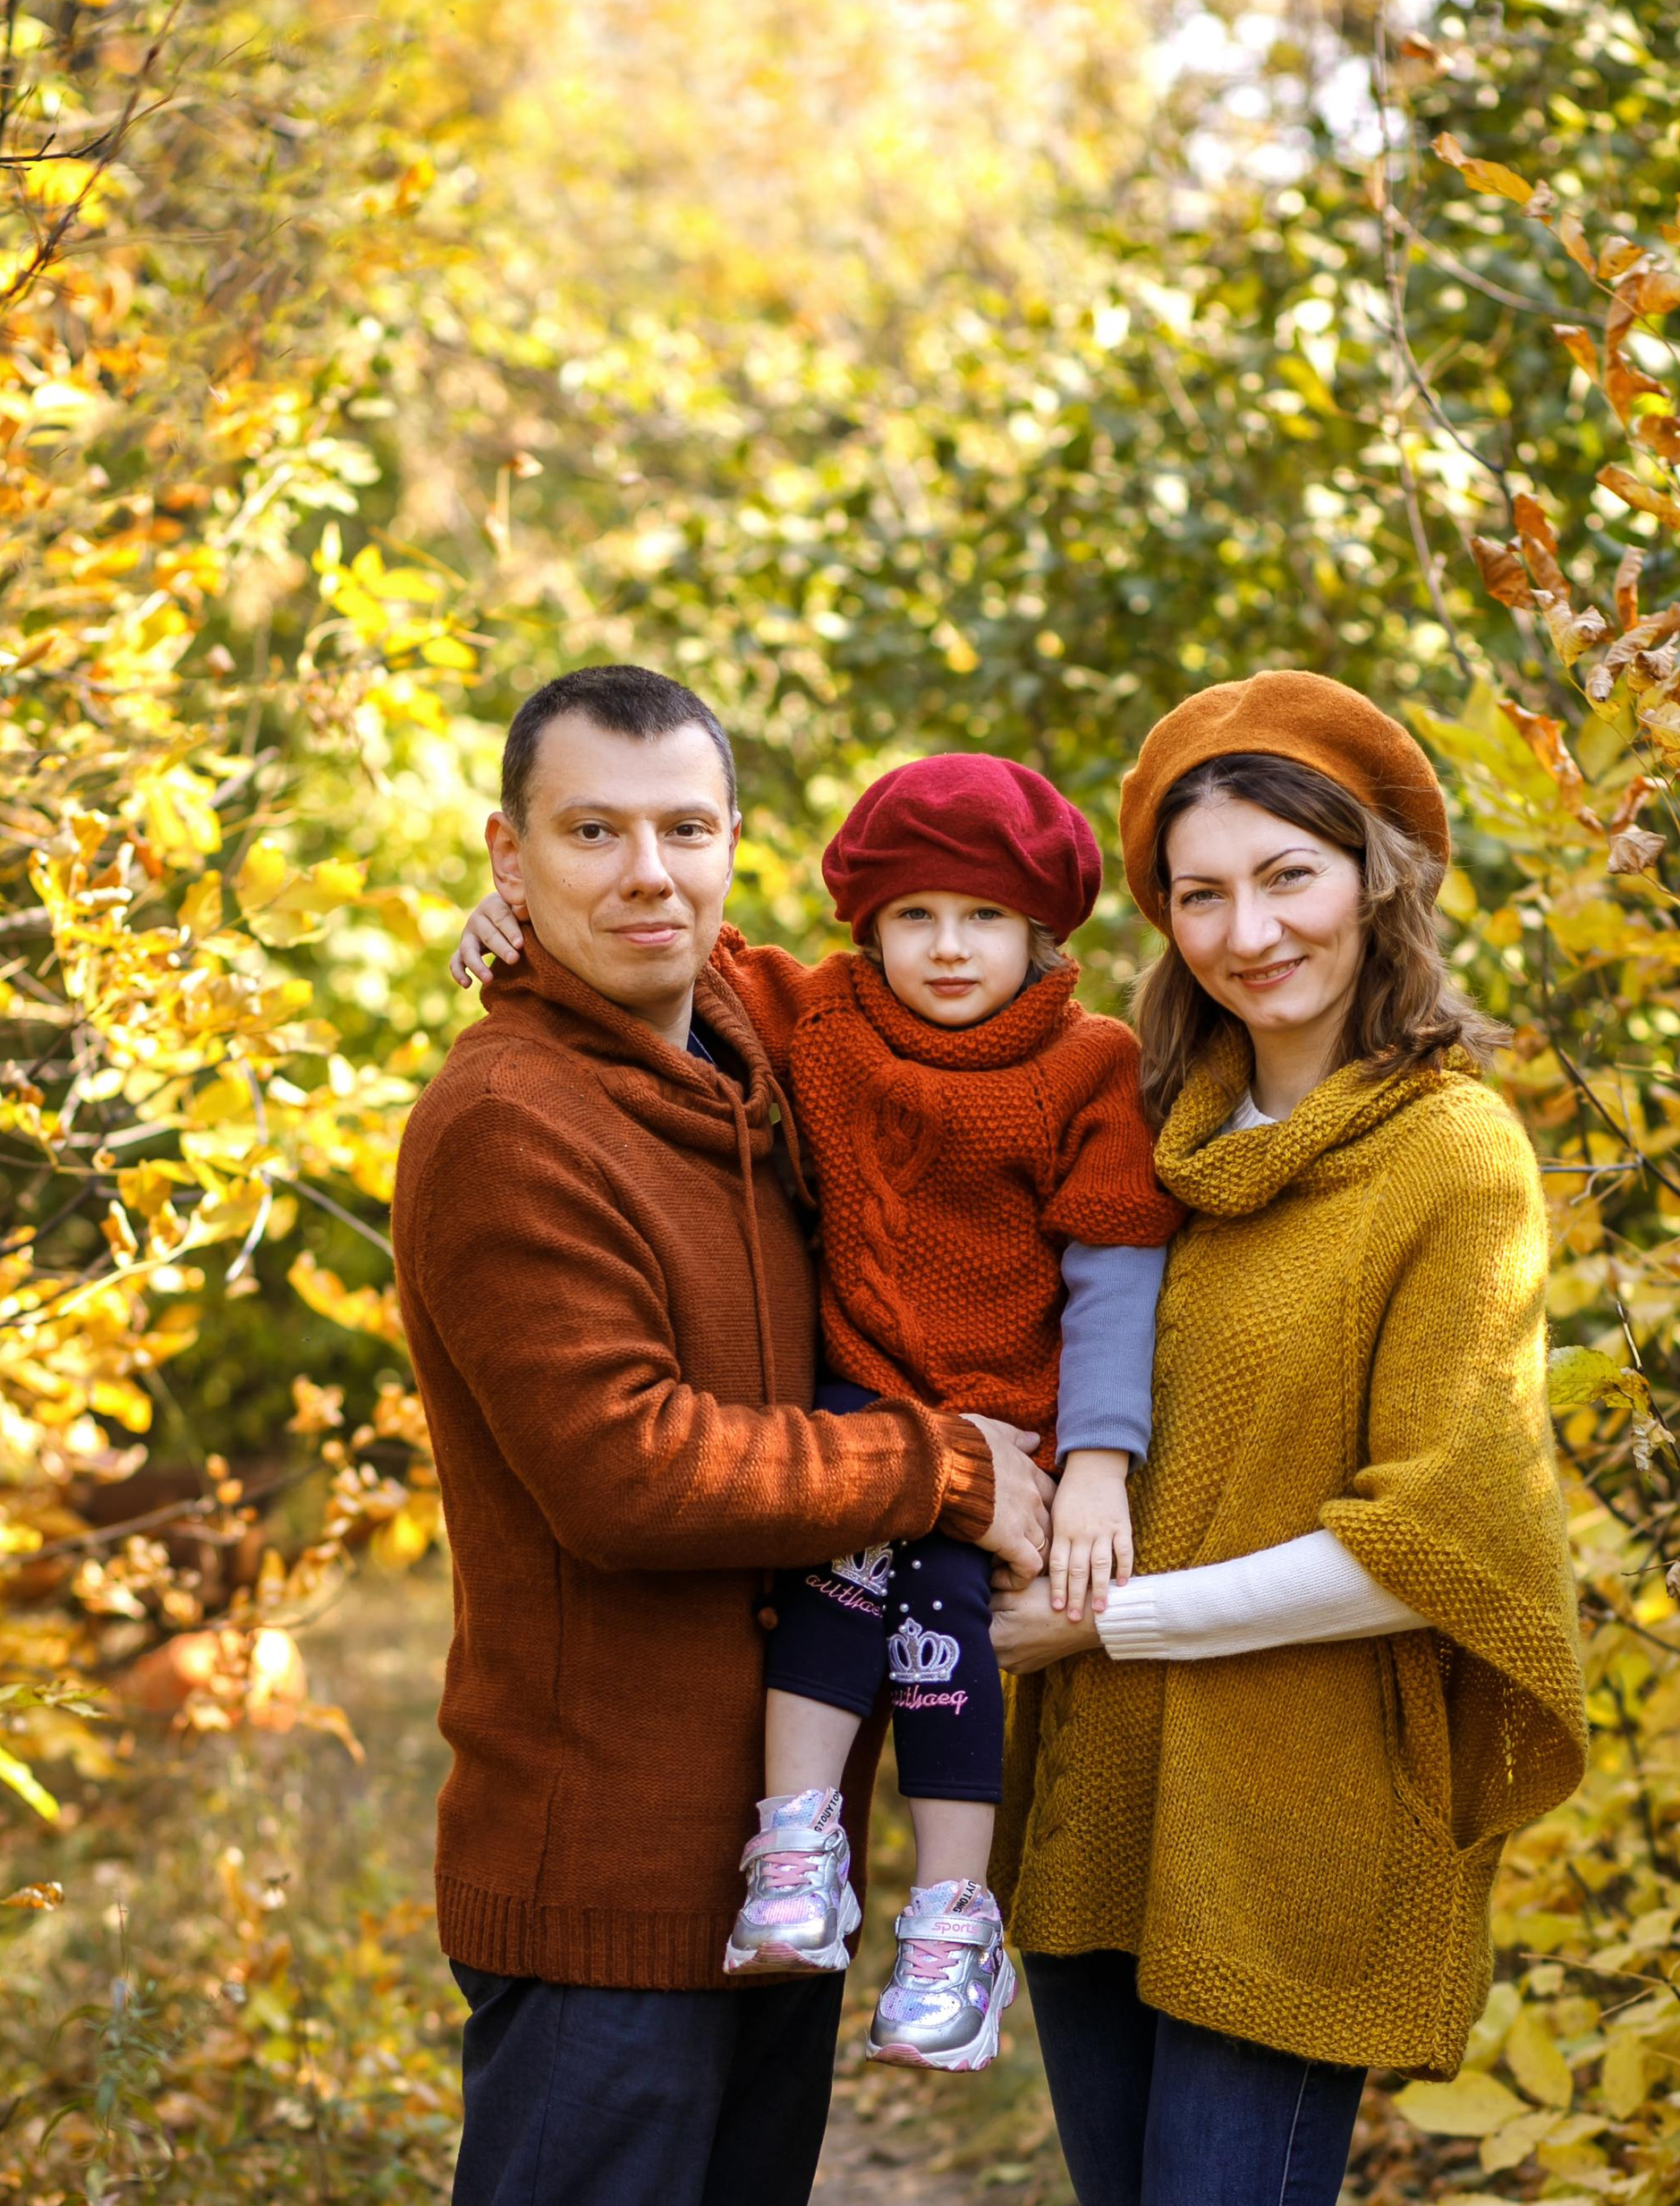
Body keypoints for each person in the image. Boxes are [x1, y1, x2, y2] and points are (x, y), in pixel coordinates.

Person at [393, 663, 1052, 2206]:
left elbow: (930, 992)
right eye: (594, 836)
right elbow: (633, 1466)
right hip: (598, 1857)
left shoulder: (742, 1045)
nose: (647, 875)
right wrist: (946, 1466)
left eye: (686, 832)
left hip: (762, 1847)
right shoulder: (505, 1124)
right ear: (512, 862)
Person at [989, 670, 1586, 2206]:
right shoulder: (1134, 1133)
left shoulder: (1454, 1157)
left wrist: (1111, 1628)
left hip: (1303, 1812)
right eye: (1200, 888)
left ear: (1381, 879)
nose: (1248, 928)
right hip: (1110, 1812)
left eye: (1290, 876)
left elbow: (1437, 1536)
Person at [456, 751, 1180, 2075]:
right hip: (864, 1396)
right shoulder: (824, 1017)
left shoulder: (1090, 1065)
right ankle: (797, 1846)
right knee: (836, 1588)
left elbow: (1117, 1270)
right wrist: (506, 929)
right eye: (913, 916)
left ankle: (955, 1918)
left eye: (983, 918)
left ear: (1043, 930)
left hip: (1007, 1422)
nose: (947, 948)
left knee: (945, 1631)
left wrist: (1097, 1465)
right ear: (867, 926)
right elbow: (674, 942)